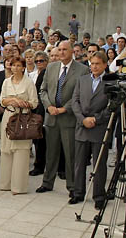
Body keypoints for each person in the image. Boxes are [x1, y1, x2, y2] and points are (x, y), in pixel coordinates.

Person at [36, 41, 89, 195]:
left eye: (65, 49)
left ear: (73, 51)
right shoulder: (51, 67)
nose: (62, 52)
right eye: (59, 49)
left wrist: (65, 108)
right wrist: (48, 106)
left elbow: (79, 94)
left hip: (69, 117)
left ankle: (73, 187)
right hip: (51, 117)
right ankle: (47, 182)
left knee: (70, 154)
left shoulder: (82, 70)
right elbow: (43, 91)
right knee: (50, 153)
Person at [71, 51, 111, 207]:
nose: (94, 66)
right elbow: (75, 101)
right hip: (82, 127)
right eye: (92, 63)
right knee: (79, 162)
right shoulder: (82, 80)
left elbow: (111, 106)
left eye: (98, 64)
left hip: (99, 128)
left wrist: (96, 119)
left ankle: (99, 196)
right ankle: (78, 192)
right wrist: (82, 119)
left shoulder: (110, 83)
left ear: (105, 65)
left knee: (99, 163)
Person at [0, 56, 39, 194]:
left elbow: (34, 103)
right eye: (13, 65)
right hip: (8, 116)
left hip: (23, 118)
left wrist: (23, 103)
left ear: (23, 67)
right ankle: (5, 183)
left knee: (21, 151)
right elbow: (2, 99)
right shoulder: (6, 82)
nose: (15, 68)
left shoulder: (28, 83)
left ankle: (19, 187)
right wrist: (11, 100)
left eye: (18, 65)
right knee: (6, 150)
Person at [29, 51, 49, 177]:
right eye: (37, 61)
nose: (39, 63)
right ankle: (39, 164)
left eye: (41, 61)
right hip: (34, 108)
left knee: (45, 139)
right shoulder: (31, 75)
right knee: (37, 140)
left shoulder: (47, 72)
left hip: (45, 109)